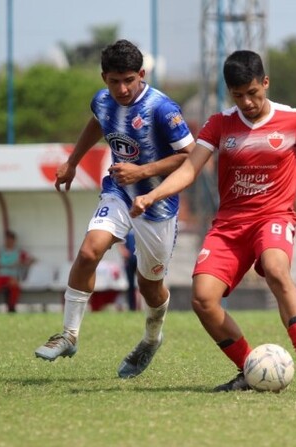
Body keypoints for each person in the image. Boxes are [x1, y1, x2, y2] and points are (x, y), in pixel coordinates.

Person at [130, 50, 296, 391]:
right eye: (238, 95)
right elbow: (190, 169)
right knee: (203, 299)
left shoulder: (295, 120)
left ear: (265, 83)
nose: (248, 102)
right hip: (230, 225)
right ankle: (250, 369)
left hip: (274, 217)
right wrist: (153, 195)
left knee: (276, 269)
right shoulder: (220, 124)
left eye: (253, 93)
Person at [34, 39, 195, 379]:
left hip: (157, 204)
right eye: (113, 81)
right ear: (103, 77)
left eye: (128, 80)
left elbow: (191, 156)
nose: (121, 89)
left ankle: (152, 338)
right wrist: (73, 161)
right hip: (119, 192)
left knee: (149, 285)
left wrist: (143, 172)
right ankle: (69, 334)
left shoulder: (162, 109)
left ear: (141, 74)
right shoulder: (103, 100)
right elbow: (97, 121)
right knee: (90, 250)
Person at [0, 230, 33, 313]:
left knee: (14, 284)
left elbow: (31, 260)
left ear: (14, 241)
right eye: (7, 240)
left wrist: (22, 263)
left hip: (12, 276)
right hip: (0, 275)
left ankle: (11, 307)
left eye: (10, 240)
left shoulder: (19, 252)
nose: (8, 242)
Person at [117, 231, 138, 311]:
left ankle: (142, 307)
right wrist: (123, 250)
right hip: (129, 260)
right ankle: (132, 308)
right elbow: (119, 240)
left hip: (139, 259)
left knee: (143, 285)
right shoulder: (126, 226)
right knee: (131, 285)